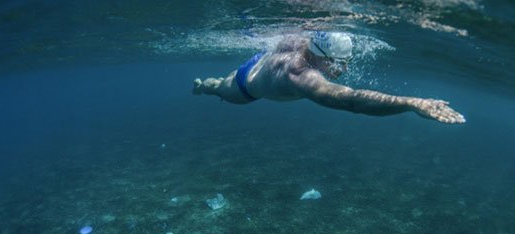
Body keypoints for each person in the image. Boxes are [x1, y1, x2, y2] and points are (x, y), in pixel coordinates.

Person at [193, 32, 465, 124]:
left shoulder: (306, 42)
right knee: (216, 87)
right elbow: (351, 102)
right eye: (338, 63)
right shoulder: (300, 76)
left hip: (261, 59)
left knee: (219, 82)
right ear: (320, 55)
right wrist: (410, 103)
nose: (343, 70)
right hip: (244, 88)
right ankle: (202, 86)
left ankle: (208, 84)